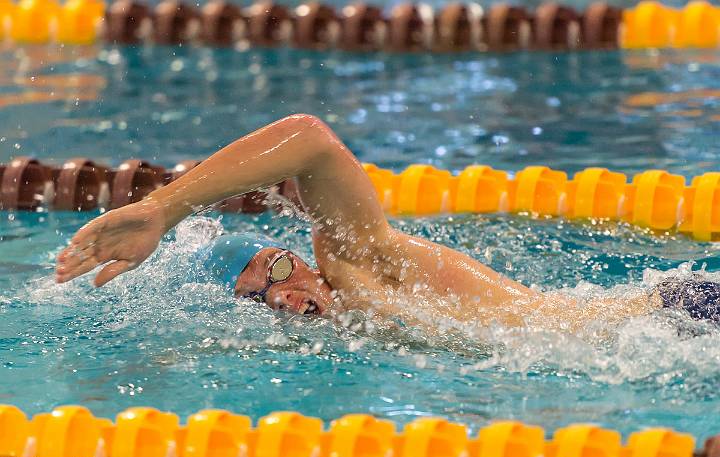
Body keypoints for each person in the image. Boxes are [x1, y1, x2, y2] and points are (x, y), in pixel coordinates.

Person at [55, 114, 719, 329]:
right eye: (262, 302)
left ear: (297, 252)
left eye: (275, 268)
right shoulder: (352, 326)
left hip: (676, 317)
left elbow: (309, 138)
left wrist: (163, 207)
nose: (285, 295)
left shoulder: (354, 259)